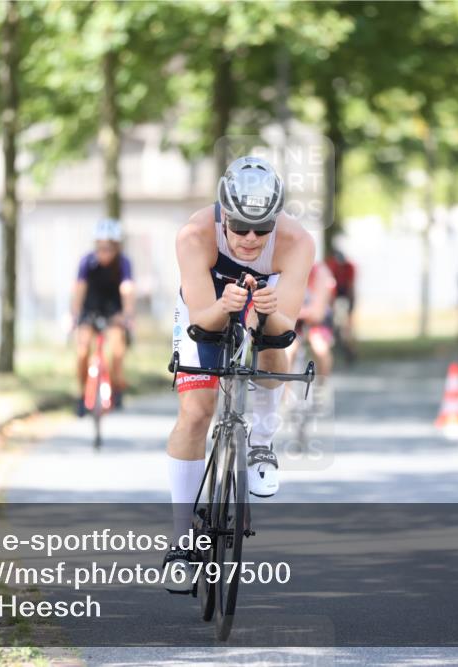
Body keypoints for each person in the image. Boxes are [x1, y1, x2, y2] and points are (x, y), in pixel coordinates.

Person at [164, 156, 314, 591]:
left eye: (262, 229)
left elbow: (286, 329)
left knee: (271, 346)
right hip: (207, 305)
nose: (251, 239)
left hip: (263, 303)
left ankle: (262, 445)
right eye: (240, 228)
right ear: (223, 216)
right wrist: (225, 306)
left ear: (275, 222)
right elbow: (200, 322)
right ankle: (180, 541)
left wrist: (268, 316)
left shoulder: (296, 242)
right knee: (197, 411)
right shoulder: (194, 235)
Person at [70, 218, 134, 415]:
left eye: (109, 247)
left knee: (116, 349)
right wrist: (74, 315)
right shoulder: (86, 262)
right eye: (100, 247)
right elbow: (79, 290)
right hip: (90, 310)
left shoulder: (123, 263)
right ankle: (82, 394)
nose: (104, 252)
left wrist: (127, 315)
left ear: (116, 247)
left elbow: (127, 290)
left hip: (113, 311)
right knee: (82, 350)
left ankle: (116, 386)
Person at [286, 261, 336, 381]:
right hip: (294, 322)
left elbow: (317, 315)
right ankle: (284, 394)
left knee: (320, 349)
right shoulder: (287, 270)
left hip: (317, 322)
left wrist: (299, 312)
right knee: (287, 352)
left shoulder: (320, 272)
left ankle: (321, 386)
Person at [325, 248, 357, 361]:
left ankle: (349, 350)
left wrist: (351, 303)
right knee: (341, 326)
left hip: (343, 298)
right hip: (337, 298)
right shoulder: (332, 265)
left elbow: (350, 285)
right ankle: (346, 348)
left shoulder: (349, 267)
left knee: (345, 327)